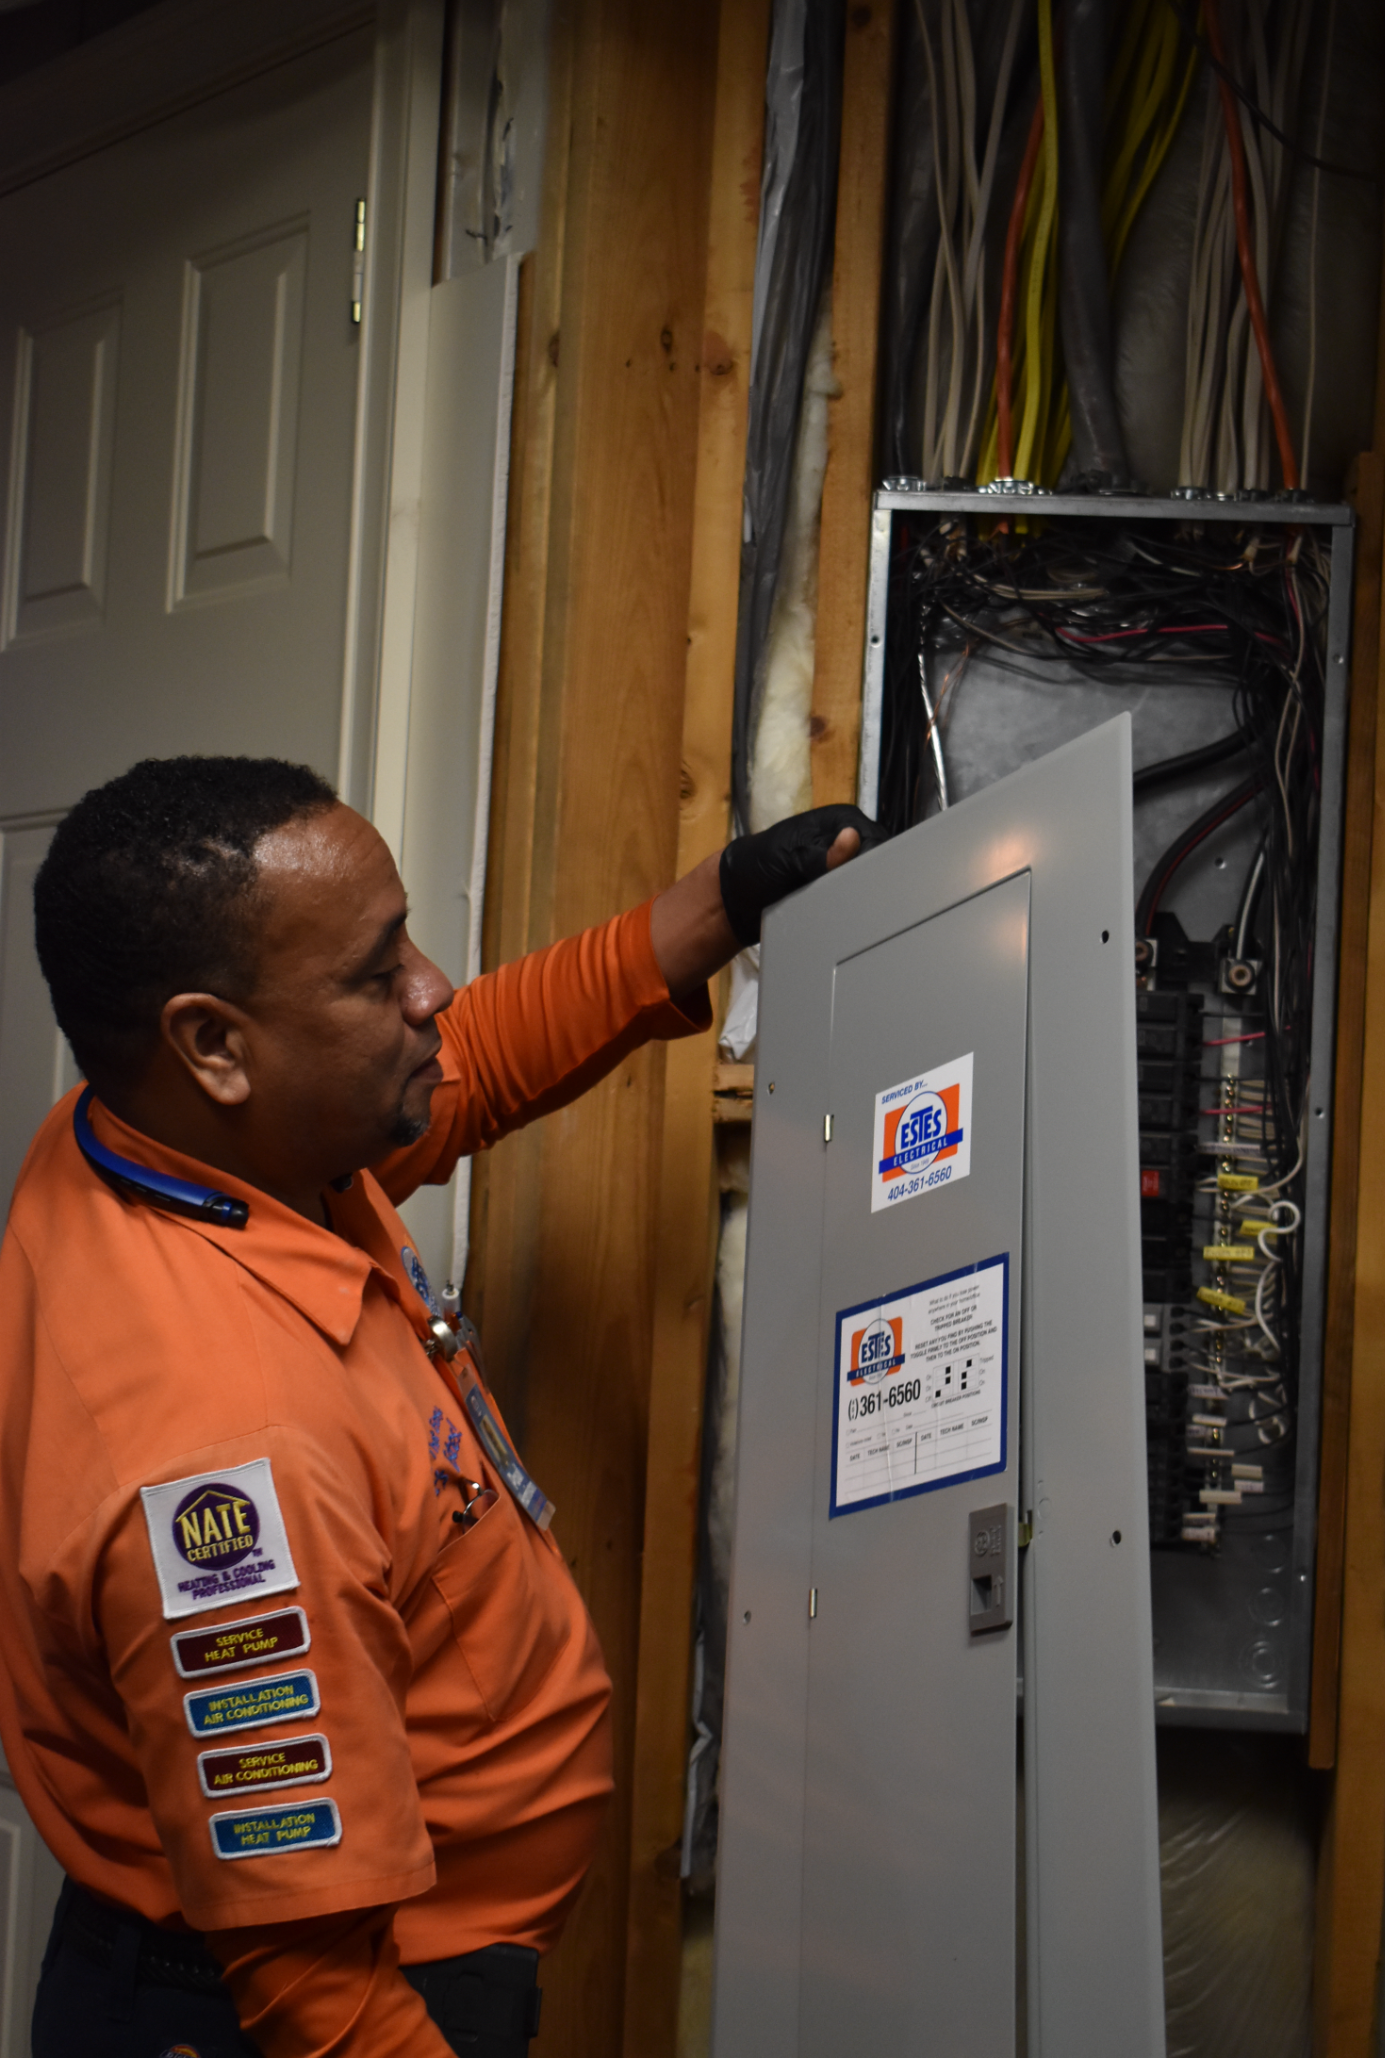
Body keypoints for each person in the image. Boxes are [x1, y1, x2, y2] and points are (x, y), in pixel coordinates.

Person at [0, 755, 881, 2058]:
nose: (432, 988)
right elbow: (321, 1997)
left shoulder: (181, 1133)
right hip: (319, 1991)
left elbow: (470, 1063)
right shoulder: (227, 1473)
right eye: (374, 972)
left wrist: (723, 901)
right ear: (213, 1043)